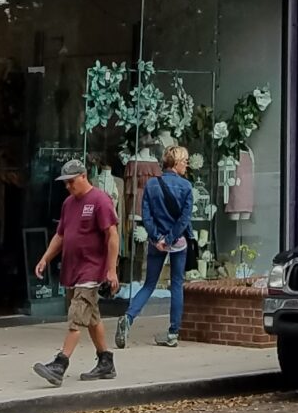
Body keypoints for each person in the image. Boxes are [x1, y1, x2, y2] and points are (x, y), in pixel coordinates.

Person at [32, 159, 119, 384]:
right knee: (91, 316)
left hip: (91, 269)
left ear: (84, 176)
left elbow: (112, 235)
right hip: (73, 268)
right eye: (65, 183)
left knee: (77, 316)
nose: (68, 186)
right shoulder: (68, 203)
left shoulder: (100, 200)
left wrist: (112, 270)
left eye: (71, 181)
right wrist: (45, 258)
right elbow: (61, 235)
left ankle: (60, 364)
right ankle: (106, 361)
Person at [118, 143, 195, 348]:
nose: (186, 165)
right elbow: (184, 219)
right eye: (185, 161)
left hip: (156, 240)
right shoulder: (186, 186)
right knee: (176, 284)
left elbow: (146, 215)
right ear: (176, 163)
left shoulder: (151, 185)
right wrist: (169, 239)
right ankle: (173, 333)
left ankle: (128, 317)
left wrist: (156, 237)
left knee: (149, 284)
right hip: (177, 242)